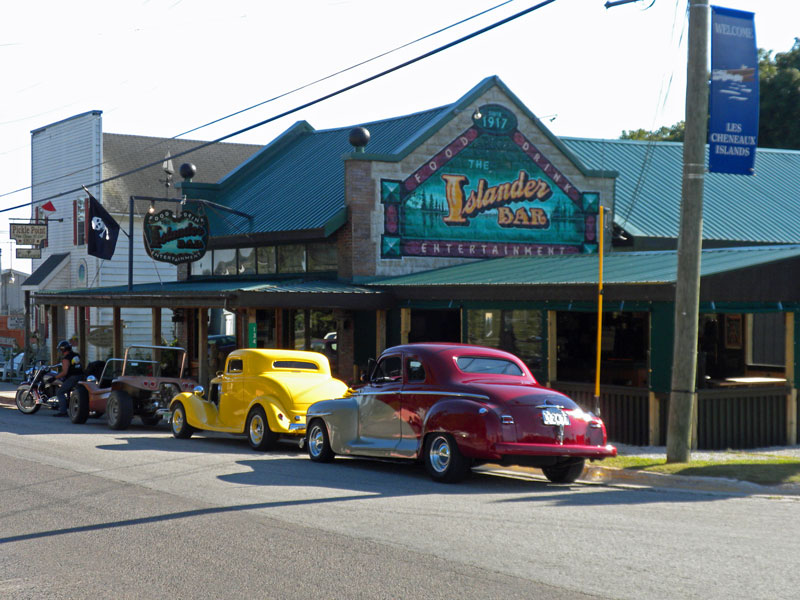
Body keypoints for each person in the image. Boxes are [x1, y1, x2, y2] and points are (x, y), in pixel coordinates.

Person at [53, 340, 84, 417]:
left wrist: (54, 378)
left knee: (60, 392)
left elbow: (64, 372)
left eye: (60, 349)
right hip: (81, 376)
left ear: (63, 349)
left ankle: (63, 411)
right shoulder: (76, 355)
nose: (60, 351)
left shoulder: (66, 359)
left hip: (73, 377)